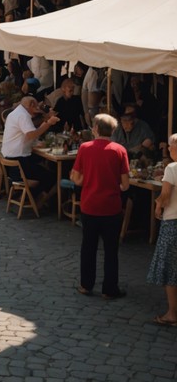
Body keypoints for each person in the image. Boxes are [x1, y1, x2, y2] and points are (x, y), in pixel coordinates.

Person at [71, 113, 129, 299]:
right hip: (111, 206)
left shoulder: (85, 148)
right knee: (111, 250)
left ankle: (86, 284)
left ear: (95, 128)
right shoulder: (120, 150)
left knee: (88, 247)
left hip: (90, 205)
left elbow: (77, 179)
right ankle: (110, 288)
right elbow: (125, 185)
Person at [1, 97, 60, 201]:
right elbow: (31, 135)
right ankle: (35, 199)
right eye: (36, 105)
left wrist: (45, 119)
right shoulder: (22, 116)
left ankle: (30, 196)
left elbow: (29, 134)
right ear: (32, 105)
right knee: (52, 176)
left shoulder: (15, 113)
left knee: (42, 162)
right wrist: (49, 123)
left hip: (11, 161)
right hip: (18, 162)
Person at [148, 133, 177, 325]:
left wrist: (158, 206)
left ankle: (172, 313)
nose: (168, 149)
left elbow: (166, 195)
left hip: (173, 222)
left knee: (170, 268)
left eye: (170, 146)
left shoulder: (172, 168)